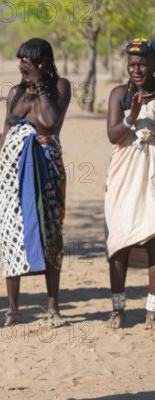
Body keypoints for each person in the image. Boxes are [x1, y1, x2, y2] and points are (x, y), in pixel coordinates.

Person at [0, 38, 71, 327]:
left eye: (29, 61)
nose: (23, 66)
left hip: (46, 167)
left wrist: (40, 83)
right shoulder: (15, 93)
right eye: (20, 60)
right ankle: (13, 308)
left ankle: (53, 307)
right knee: (10, 231)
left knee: (51, 231)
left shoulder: (60, 87)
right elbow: (4, 133)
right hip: (11, 171)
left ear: (43, 63)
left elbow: (50, 120)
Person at [104, 38, 155, 329]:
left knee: (153, 241)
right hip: (123, 175)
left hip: (152, 173)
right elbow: (113, 135)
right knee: (119, 242)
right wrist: (132, 118)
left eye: (143, 64)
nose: (136, 70)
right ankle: (118, 309)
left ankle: (151, 311)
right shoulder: (118, 95)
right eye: (132, 64)